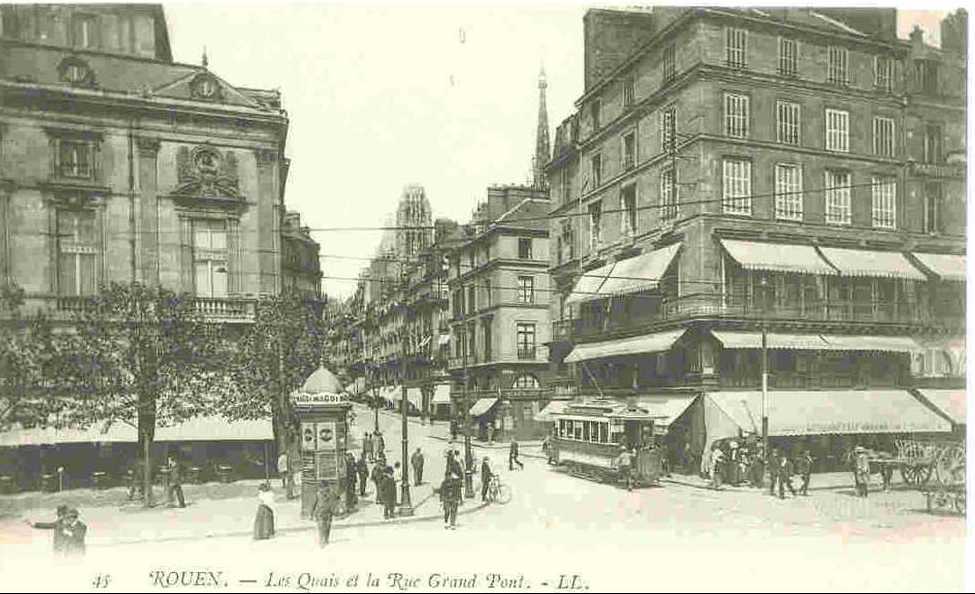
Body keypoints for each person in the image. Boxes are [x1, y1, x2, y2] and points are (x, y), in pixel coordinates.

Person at [310, 483, 339, 548]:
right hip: (327, 512)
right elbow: (336, 500)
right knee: (326, 526)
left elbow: (313, 504)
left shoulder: (318, 494)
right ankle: (324, 540)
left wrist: (312, 513)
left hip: (321, 512)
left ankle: (322, 540)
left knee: (322, 526)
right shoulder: (331, 493)